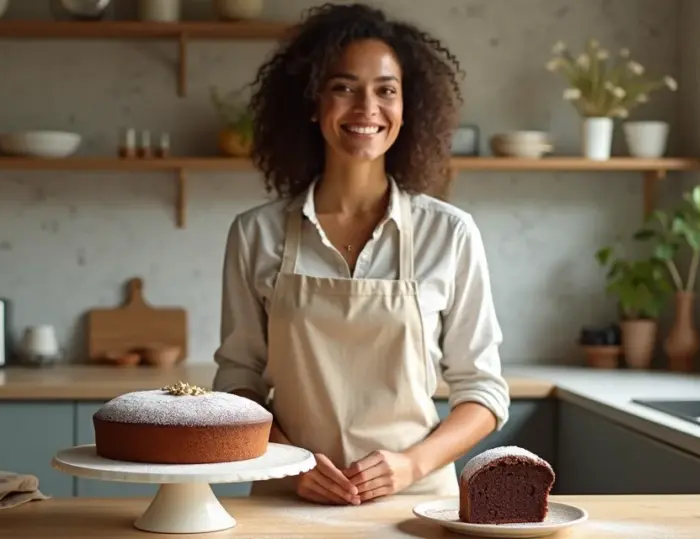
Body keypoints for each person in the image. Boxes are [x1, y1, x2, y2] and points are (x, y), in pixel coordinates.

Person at [212, 3, 510, 505]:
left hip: (416, 504)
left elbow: (483, 391)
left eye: (386, 90)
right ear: (312, 102)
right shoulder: (254, 235)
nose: (366, 107)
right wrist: (289, 461)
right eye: (343, 87)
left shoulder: (450, 234)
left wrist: (411, 463)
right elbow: (238, 384)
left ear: (406, 106)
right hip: (286, 499)